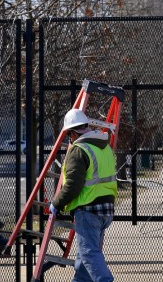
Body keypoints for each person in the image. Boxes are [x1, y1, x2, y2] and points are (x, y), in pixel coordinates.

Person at [49, 108, 117, 282]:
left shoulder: (79, 150)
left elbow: (73, 185)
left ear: (71, 132)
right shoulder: (104, 147)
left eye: (68, 135)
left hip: (89, 209)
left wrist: (56, 204)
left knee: (89, 254)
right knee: (84, 254)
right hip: (106, 209)